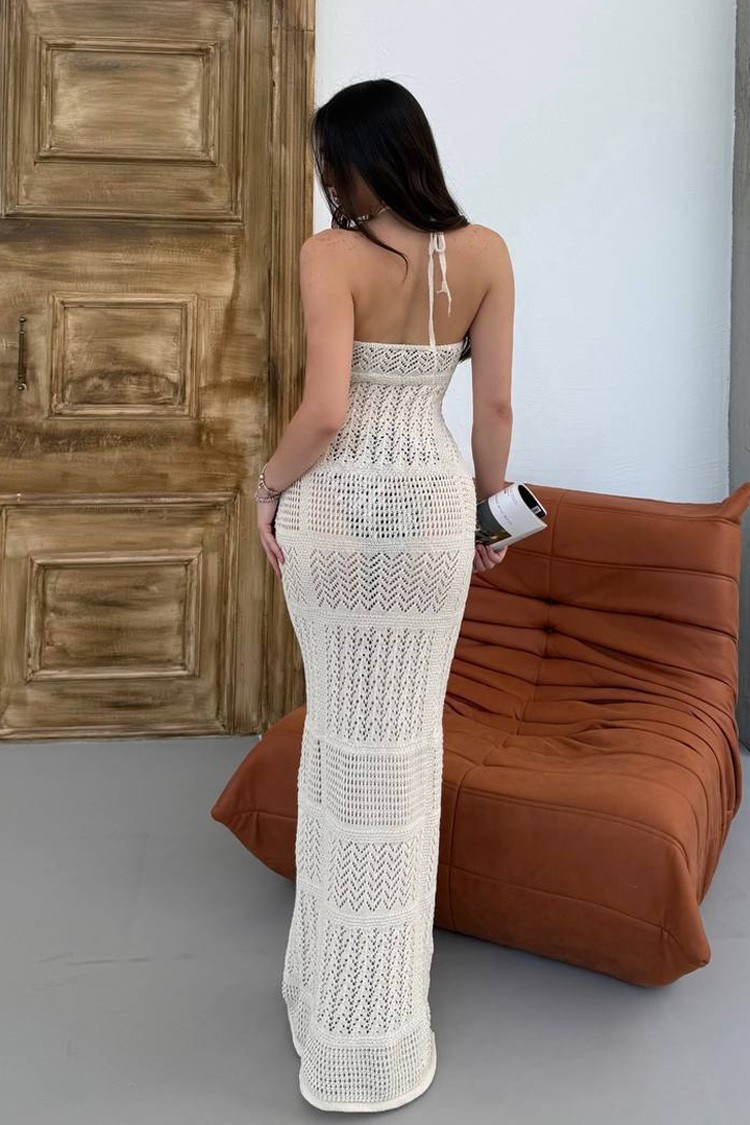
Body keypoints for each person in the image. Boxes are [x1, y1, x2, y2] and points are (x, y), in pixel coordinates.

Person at [253, 78, 514, 1112]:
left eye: (331, 162)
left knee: (340, 734)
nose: (329, 182)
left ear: (353, 160)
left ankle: (334, 1006)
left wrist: (267, 489)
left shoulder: (331, 255)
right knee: (406, 742)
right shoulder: (486, 253)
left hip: (336, 508)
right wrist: (490, 515)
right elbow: (494, 408)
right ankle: (386, 1020)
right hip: (436, 511)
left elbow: (325, 411)